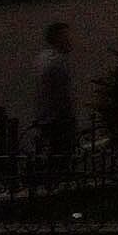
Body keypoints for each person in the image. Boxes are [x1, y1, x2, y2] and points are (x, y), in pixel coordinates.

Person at [30, 19, 78, 165]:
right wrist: (69, 119)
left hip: (44, 117)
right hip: (57, 121)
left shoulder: (43, 58)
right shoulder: (57, 63)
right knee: (61, 158)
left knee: (51, 155)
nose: (71, 41)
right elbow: (61, 97)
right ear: (59, 39)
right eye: (67, 37)